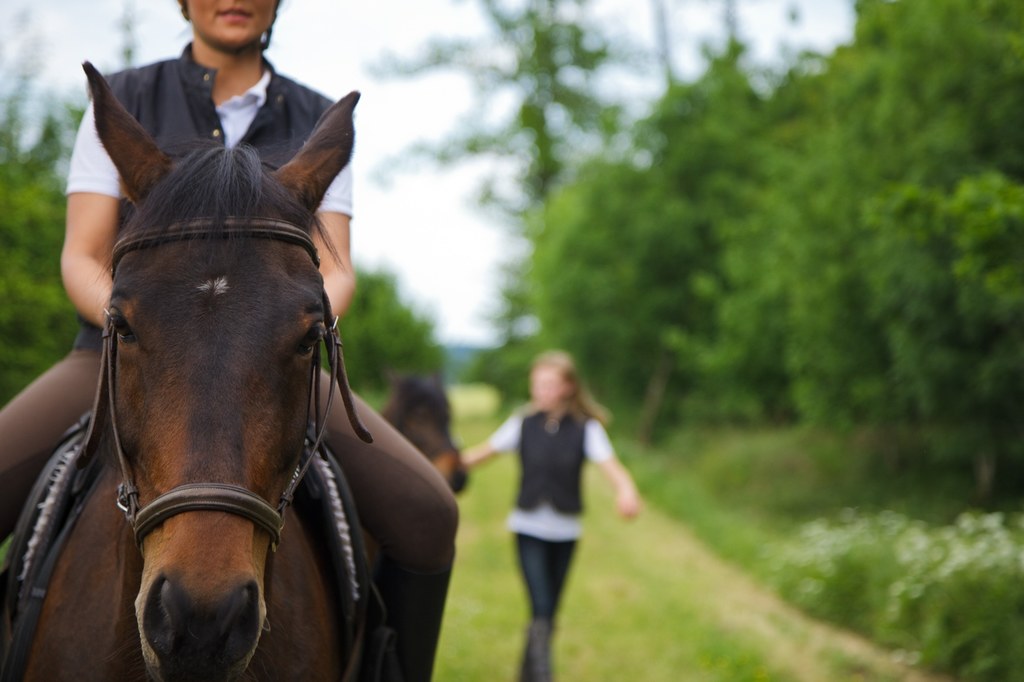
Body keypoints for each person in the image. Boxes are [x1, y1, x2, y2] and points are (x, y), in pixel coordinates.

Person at [0, 2, 456, 680]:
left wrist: (286, 328)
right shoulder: (122, 99)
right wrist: (139, 322)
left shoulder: (316, 115)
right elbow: (82, 257)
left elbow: (336, 269)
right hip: (120, 350)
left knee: (428, 514)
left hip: (272, 359)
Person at [463, 350, 642, 682]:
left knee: (546, 613)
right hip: (527, 529)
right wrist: (439, 466)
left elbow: (612, 468)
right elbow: (482, 453)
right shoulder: (522, 422)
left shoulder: (586, 429)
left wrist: (626, 490)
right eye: (536, 384)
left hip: (565, 533)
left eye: (548, 385)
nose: (539, 391)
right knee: (542, 606)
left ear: (568, 388)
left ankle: (526, 674)